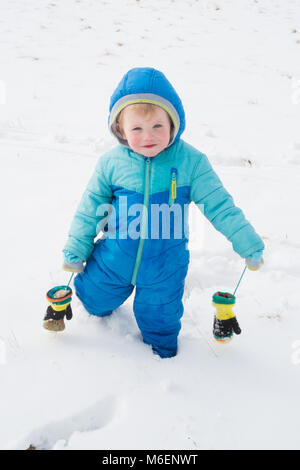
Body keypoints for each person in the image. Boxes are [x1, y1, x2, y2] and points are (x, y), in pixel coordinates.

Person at [62, 67, 264, 358]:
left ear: (174, 123)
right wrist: (75, 250)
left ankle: (163, 370)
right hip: (113, 257)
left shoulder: (191, 163)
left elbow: (221, 206)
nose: (148, 137)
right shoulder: (111, 164)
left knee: (162, 330)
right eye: (137, 129)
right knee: (93, 301)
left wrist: (248, 243)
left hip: (164, 264)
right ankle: (97, 296)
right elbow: (89, 209)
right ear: (121, 129)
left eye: (157, 126)